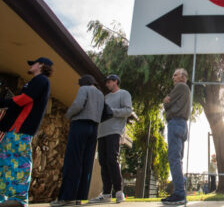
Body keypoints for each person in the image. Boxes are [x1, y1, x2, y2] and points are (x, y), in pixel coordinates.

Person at [0, 57, 52, 207]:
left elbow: (23, 99)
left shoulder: (41, 80)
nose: (30, 66)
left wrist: (3, 102)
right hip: (12, 130)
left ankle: (18, 199)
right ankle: (5, 198)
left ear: (41, 65)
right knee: (6, 162)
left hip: (20, 130)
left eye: (33, 63)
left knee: (19, 161)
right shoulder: (35, 81)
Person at [51, 75, 104, 206]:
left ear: (84, 83)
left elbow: (78, 104)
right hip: (94, 128)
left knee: (73, 160)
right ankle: (80, 197)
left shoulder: (84, 89)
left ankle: (66, 197)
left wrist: (68, 114)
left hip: (80, 124)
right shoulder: (101, 94)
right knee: (86, 162)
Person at [89, 74, 132, 204]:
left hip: (114, 131)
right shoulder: (106, 97)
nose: (107, 84)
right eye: (106, 82)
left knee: (112, 159)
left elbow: (128, 110)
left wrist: (112, 111)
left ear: (116, 82)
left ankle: (119, 191)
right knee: (103, 161)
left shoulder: (124, 94)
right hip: (101, 132)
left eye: (109, 82)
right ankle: (106, 193)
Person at [160, 68, 191, 205]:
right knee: (178, 160)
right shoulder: (185, 89)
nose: (173, 78)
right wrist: (167, 102)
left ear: (183, 77)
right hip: (182, 125)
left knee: (174, 158)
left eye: (175, 75)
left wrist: (165, 102)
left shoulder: (180, 87)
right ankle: (180, 191)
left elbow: (167, 104)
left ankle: (179, 193)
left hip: (175, 123)